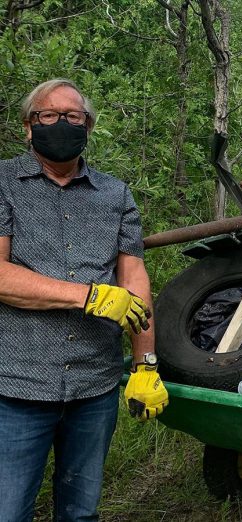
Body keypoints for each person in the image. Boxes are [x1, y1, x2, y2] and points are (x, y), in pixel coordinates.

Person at [0, 79, 169, 521]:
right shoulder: (3, 183)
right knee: (8, 510)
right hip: (18, 385)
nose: (61, 124)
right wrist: (88, 296)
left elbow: (134, 278)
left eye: (73, 117)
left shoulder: (116, 194)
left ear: (88, 127)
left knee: (80, 513)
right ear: (28, 126)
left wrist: (145, 365)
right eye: (48, 116)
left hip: (95, 385)